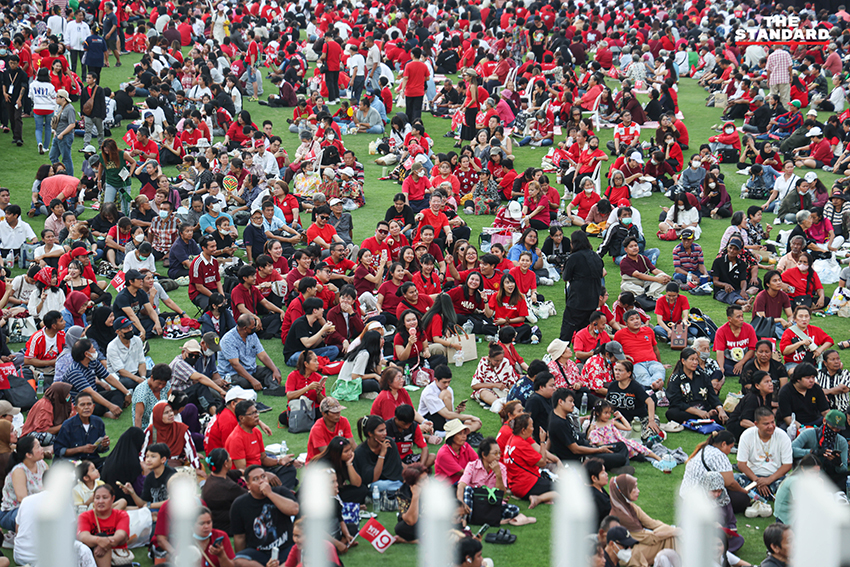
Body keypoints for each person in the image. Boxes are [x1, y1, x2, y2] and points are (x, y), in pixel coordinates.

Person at [230, 465, 299, 567]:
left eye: (263, 476)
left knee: (302, 554)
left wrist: (270, 494)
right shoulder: (239, 504)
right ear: (248, 485)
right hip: (259, 552)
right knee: (237, 561)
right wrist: (242, 557)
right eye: (256, 479)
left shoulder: (280, 491)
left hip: (285, 548)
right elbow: (239, 537)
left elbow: (294, 510)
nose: (261, 481)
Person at [456, 436, 531, 527]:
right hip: (476, 502)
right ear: (484, 455)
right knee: (468, 489)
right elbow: (461, 485)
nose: (498, 456)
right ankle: (471, 518)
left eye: (499, 453)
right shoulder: (472, 466)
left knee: (514, 510)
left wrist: (498, 474)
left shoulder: (501, 468)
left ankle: (475, 518)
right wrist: (461, 503)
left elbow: (502, 493)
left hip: (490, 503)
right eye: (495, 453)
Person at [609, 474, 679, 567]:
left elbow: (652, 523)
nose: (638, 491)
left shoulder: (630, 507)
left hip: (640, 542)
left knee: (669, 535)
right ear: (625, 490)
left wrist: (672, 530)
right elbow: (648, 538)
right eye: (634, 488)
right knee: (669, 537)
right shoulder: (620, 515)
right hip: (629, 552)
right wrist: (674, 531)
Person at [226, 400, 298, 489]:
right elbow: (243, 470)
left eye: (256, 412)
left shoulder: (256, 432)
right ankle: (279, 490)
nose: (256, 416)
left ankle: (278, 489)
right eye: (252, 414)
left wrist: (279, 461)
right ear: (242, 418)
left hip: (260, 469)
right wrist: (264, 475)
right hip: (248, 477)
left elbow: (263, 458)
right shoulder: (236, 439)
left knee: (289, 469)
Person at [679, 430, 751, 515]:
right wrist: (743, 491)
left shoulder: (703, 449)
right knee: (743, 499)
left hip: (684, 495)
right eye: (730, 447)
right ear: (723, 444)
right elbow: (730, 483)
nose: (729, 451)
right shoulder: (719, 455)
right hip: (700, 499)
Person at [735, 407, 793, 506]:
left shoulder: (782, 436)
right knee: (733, 479)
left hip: (775, 478)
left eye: (772, 422)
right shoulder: (747, 435)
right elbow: (741, 464)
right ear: (756, 424)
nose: (771, 426)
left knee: (793, 482)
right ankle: (771, 494)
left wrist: (768, 480)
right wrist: (757, 481)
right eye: (766, 424)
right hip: (752, 478)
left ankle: (755, 494)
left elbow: (787, 465)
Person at [218, 314, 285, 394]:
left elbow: (263, 355)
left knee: (273, 370)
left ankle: (272, 388)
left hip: (252, 370)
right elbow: (235, 365)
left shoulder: (252, 335)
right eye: (253, 327)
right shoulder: (228, 340)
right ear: (245, 329)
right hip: (234, 374)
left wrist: (275, 370)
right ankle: (263, 384)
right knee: (244, 382)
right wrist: (252, 380)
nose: (255, 328)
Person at [65, 339, 130, 419]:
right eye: (92, 348)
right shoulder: (74, 371)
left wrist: (127, 393)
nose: (95, 349)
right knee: (95, 406)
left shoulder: (93, 362)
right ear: (86, 354)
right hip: (80, 400)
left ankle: (111, 411)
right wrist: (110, 405)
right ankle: (108, 411)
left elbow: (108, 377)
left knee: (118, 393)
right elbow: (90, 392)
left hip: (93, 395)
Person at [503, 413, 557, 509]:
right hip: (527, 485)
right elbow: (542, 462)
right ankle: (538, 498)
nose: (533, 429)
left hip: (515, 486)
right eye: (531, 426)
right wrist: (543, 441)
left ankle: (544, 497)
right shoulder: (521, 444)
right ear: (523, 430)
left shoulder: (512, 438)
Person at [560, 230, 605, 342]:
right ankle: (583, 350)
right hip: (593, 299)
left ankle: (562, 351)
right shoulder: (596, 256)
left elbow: (566, 277)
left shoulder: (574, 258)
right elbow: (601, 274)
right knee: (585, 331)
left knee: (567, 330)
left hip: (577, 300)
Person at [666, 348, 728, 425]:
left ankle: (705, 417)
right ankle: (707, 417)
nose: (695, 362)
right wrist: (698, 412)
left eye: (696, 359)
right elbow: (676, 402)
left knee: (727, 415)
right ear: (683, 361)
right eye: (692, 359)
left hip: (704, 408)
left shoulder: (703, 376)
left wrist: (721, 410)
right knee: (671, 413)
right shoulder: (676, 379)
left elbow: (713, 397)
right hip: (687, 410)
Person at [0, 435, 48, 531]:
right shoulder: (19, 470)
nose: (42, 449)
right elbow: (23, 500)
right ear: (29, 455)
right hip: (12, 512)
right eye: (38, 447)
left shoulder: (41, 464)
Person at [417, 364, 482, 435]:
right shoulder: (429, 392)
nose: (447, 385)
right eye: (444, 382)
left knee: (477, 423)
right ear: (435, 380)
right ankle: (451, 432)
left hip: (445, 418)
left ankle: (446, 433)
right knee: (446, 393)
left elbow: (450, 413)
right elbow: (447, 415)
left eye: (449, 382)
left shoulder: (449, 389)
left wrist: (458, 411)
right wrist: (470, 417)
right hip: (431, 419)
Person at [76, 485, 130, 567]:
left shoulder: (121, 515)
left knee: (102, 538)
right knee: (101, 537)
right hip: (93, 556)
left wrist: (103, 544)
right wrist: (99, 541)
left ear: (112, 499)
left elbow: (121, 535)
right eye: (97, 498)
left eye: (105, 498)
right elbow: (83, 536)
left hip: (117, 557)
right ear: (93, 499)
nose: (100, 501)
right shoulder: (85, 516)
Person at [140, 401, 202, 473]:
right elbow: (140, 453)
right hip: (154, 468)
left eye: (171, 411)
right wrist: (145, 467)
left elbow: (191, 451)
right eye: (166, 413)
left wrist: (196, 469)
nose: (171, 414)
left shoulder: (182, 429)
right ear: (158, 416)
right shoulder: (150, 431)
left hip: (176, 466)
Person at [791, 410, 848, 487]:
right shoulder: (809, 433)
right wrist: (812, 452)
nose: (834, 430)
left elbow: (844, 469)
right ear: (824, 421)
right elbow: (791, 450)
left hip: (831, 477)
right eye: (832, 427)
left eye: (838, 429)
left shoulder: (842, 442)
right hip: (809, 475)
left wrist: (838, 463)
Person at [54, 392, 110, 468]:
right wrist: (81, 449)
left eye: (89, 404)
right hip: (72, 462)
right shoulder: (67, 425)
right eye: (82, 405)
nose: (86, 407)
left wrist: (104, 446)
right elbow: (59, 450)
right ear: (76, 408)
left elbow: (99, 449)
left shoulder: (98, 422)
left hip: (91, 461)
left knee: (110, 461)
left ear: (93, 406)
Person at [614, 310, 665, 391]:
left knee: (659, 370)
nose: (636, 321)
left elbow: (655, 349)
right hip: (636, 364)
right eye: (632, 319)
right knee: (642, 375)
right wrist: (623, 357)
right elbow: (615, 351)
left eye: (637, 318)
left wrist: (660, 363)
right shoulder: (619, 334)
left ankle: (653, 387)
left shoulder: (648, 331)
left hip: (653, 362)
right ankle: (656, 388)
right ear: (626, 323)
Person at [201, 449, 247, 536]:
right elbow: (252, 496)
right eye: (229, 458)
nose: (231, 459)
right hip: (227, 526)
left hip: (217, 519)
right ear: (225, 463)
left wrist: (249, 473)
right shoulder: (229, 486)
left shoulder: (213, 476)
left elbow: (238, 472)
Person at [779, 305, 833, 372]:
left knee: (837, 365)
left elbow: (829, 341)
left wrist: (820, 349)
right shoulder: (788, 332)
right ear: (795, 319)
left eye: (806, 316)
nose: (804, 319)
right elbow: (784, 351)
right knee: (796, 372)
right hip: (793, 363)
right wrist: (800, 343)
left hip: (812, 363)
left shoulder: (815, 330)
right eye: (800, 316)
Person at [727, 371, 779, 440]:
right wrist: (762, 429)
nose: (771, 384)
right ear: (757, 386)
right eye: (767, 382)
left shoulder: (767, 395)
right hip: (737, 428)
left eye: (770, 381)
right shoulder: (752, 398)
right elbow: (744, 422)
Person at [778, 362, 829, 428]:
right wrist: (803, 429)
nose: (811, 381)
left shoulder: (816, 388)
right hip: (794, 423)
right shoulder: (785, 392)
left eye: (813, 377)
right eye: (808, 378)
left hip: (814, 420)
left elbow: (825, 411)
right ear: (798, 379)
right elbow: (788, 419)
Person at [21, 381, 71, 446]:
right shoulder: (45, 405)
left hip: (55, 432)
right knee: (47, 437)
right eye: (67, 393)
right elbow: (44, 430)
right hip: (33, 435)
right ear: (59, 394)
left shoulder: (61, 403)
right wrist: (66, 424)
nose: (69, 395)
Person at [715, 305, 758, 378]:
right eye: (738, 317)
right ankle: (743, 372)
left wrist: (741, 363)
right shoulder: (721, 331)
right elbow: (720, 352)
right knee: (720, 366)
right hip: (729, 361)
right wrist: (721, 367)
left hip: (746, 360)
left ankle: (740, 371)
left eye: (742, 316)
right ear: (729, 319)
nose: (741, 319)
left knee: (754, 364)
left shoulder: (749, 328)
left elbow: (752, 349)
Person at [305, 397, 353, 463]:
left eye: (338, 411)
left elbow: (352, 444)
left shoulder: (343, 421)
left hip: (340, 457)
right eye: (334, 412)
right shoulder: (317, 429)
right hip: (319, 463)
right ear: (324, 414)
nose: (338, 415)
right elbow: (327, 454)